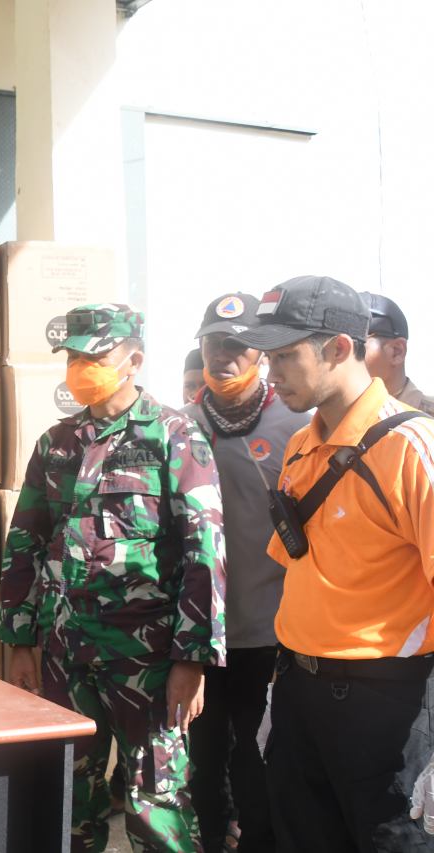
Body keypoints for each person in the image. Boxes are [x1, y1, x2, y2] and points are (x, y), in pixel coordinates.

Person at [0, 303, 226, 853]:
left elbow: (205, 550)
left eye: (95, 356)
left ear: (134, 360)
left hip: (144, 659)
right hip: (63, 652)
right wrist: (21, 640)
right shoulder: (57, 443)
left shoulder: (174, 436)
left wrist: (192, 659)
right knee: (65, 801)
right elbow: (25, 541)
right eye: (74, 357)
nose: (81, 367)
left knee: (157, 804)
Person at [229, 275, 434, 852]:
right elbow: (302, 573)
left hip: (384, 704)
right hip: (299, 692)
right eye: (266, 356)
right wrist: (281, 690)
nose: (271, 372)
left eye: (285, 355)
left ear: (339, 348)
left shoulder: (413, 449)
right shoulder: (301, 446)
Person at [183, 292, 310, 853]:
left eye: (238, 345)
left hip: (272, 633)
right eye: (214, 344)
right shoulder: (176, 427)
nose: (224, 357)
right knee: (203, 761)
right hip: (200, 636)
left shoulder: (298, 425)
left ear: (261, 353)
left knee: (260, 762)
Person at [359, 291, 434, 415]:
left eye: (356, 344)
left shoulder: (428, 422)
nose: (341, 355)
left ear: (397, 352)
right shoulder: (328, 424)